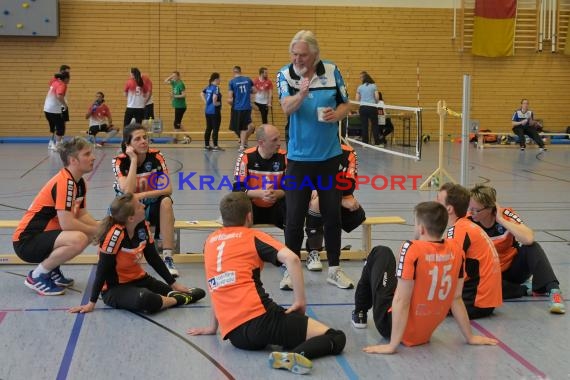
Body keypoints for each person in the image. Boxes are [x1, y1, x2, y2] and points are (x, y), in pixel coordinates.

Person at [187, 192, 346, 375]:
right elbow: (292, 260)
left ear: (223, 218)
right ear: (249, 216)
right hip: (261, 321)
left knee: (287, 328)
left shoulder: (210, 242)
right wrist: (300, 302)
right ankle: (292, 355)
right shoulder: (251, 236)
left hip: (235, 335)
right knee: (335, 337)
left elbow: (215, 284)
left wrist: (213, 327)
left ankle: (286, 343)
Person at [351, 202, 498, 354]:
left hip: (391, 326)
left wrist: (392, 346)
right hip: (425, 331)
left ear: (421, 228)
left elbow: (402, 300)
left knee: (381, 252)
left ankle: (359, 311)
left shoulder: (412, 249)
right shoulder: (457, 250)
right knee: (400, 279)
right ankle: (362, 312)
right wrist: (470, 337)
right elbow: (456, 298)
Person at [277, 30, 352, 289]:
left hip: (329, 157)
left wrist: (337, 114)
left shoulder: (332, 71)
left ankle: (335, 269)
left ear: (315, 55)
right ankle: (290, 269)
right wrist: (302, 94)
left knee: (332, 215)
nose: (297, 59)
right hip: (299, 160)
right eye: (294, 54)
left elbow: (346, 104)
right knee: (295, 217)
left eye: (303, 55)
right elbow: (286, 108)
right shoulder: (285, 74)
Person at [68, 193, 205, 314]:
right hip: (115, 288)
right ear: (131, 218)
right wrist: (91, 302)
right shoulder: (115, 236)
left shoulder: (142, 226)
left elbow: (153, 258)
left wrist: (173, 284)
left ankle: (172, 297)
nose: (143, 206)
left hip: (141, 280)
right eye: (139, 205)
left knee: (199, 292)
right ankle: (177, 300)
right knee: (145, 299)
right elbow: (102, 270)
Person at [13, 137, 99, 296]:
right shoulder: (65, 182)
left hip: (43, 237)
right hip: (27, 241)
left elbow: (82, 214)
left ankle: (52, 269)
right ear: (73, 160)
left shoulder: (79, 183)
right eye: (87, 154)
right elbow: (67, 224)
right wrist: (95, 231)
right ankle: (38, 275)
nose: (93, 157)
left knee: (87, 234)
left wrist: (99, 229)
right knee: (79, 238)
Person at [469, 185, 565, 314]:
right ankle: (525, 289)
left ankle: (554, 291)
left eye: (477, 210)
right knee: (477, 287)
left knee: (532, 247)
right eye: (471, 208)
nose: (472, 212)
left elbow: (528, 237)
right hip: (490, 273)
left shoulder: (507, 214)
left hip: (513, 270)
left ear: (490, 208)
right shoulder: (468, 220)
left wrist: (501, 220)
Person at [112, 124, 179, 277]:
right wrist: (134, 160)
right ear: (128, 145)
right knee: (125, 204)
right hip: (130, 211)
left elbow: (168, 189)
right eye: (138, 139)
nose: (144, 141)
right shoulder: (120, 161)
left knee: (166, 201)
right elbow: (128, 193)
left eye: (145, 137)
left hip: (150, 207)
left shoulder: (156, 157)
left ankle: (168, 257)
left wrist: (141, 195)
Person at [436, 183, 502, 319]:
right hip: (485, 300)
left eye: (438, 200)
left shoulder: (458, 230)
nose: (434, 203)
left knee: (423, 300)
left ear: (448, 209)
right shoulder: (465, 225)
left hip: (476, 302)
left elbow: (451, 271)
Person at [301, 144, 366, 278]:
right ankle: (314, 251)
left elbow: (350, 181)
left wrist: (338, 198)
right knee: (317, 203)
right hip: (315, 199)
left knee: (356, 213)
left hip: (341, 196)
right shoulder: (310, 149)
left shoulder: (348, 152)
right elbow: (303, 179)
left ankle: (332, 257)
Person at [233, 124, 286, 229]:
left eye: (279, 138)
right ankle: (241, 241)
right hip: (253, 206)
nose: (279, 143)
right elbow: (237, 189)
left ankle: (292, 244)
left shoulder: (285, 157)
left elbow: (291, 187)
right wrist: (261, 193)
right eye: (274, 140)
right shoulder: (245, 157)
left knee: (293, 199)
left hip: (276, 206)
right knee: (236, 201)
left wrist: (276, 193)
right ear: (261, 143)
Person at [228, 65, 256, 152]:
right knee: (250, 126)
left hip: (238, 107)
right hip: (247, 107)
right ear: (240, 71)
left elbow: (230, 98)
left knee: (241, 128)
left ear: (234, 72)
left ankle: (242, 146)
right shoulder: (248, 79)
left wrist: (231, 102)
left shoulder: (232, 82)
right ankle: (244, 141)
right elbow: (254, 91)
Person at [44, 71, 70, 150]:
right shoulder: (62, 84)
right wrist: (65, 105)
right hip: (54, 110)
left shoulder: (55, 82)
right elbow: (59, 96)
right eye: (69, 79)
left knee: (54, 127)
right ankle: (58, 146)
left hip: (46, 109)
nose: (69, 80)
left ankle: (52, 144)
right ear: (65, 79)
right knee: (61, 128)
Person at [355, 72, 380, 145]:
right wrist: (375, 102)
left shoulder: (360, 87)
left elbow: (357, 99)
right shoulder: (374, 86)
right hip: (372, 107)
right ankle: (377, 143)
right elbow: (377, 98)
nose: (360, 79)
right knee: (375, 125)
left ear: (363, 78)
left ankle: (365, 143)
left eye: (361, 78)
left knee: (364, 126)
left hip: (363, 108)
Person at [201, 72, 223, 151]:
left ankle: (206, 145)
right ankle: (215, 146)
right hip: (214, 111)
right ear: (216, 79)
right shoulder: (216, 88)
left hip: (207, 111)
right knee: (215, 128)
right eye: (219, 78)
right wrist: (217, 103)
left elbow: (201, 93)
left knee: (208, 128)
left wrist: (206, 102)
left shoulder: (208, 87)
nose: (220, 80)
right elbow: (214, 99)